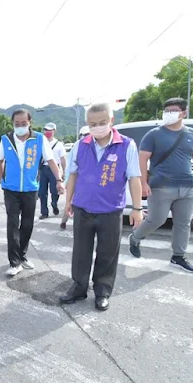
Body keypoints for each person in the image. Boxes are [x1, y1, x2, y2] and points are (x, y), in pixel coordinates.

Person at [60, 103, 143, 311]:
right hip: (83, 209)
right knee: (81, 252)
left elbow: (134, 178)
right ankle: (78, 287)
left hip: (111, 211)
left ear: (112, 121)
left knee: (107, 254)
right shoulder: (81, 145)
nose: (97, 127)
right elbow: (73, 175)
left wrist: (137, 208)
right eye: (93, 124)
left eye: (102, 123)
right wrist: (68, 202)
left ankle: (102, 291)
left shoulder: (126, 145)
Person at [129, 97, 193, 273]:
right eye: (167, 111)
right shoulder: (154, 134)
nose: (169, 114)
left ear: (183, 113)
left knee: (183, 223)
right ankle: (135, 237)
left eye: (173, 110)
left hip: (187, 187)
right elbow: (142, 159)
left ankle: (178, 256)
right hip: (161, 186)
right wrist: (143, 183)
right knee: (156, 220)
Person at [0, 109, 65, 277]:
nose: (20, 126)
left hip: (30, 188)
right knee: (12, 224)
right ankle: (14, 262)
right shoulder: (5, 139)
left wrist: (59, 180)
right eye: (16, 124)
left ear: (30, 123)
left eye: (23, 123)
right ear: (13, 124)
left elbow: (50, 160)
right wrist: (2, 180)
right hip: (11, 189)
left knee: (27, 224)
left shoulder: (39, 139)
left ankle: (22, 256)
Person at [60, 126, 90, 230]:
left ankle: (65, 220)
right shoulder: (78, 146)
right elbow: (70, 168)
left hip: (84, 181)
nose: (86, 137)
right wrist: (67, 181)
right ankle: (64, 220)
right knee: (71, 201)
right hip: (75, 179)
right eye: (84, 135)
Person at [39, 122, 67, 219]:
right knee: (42, 192)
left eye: (50, 130)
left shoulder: (59, 144)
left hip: (54, 170)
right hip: (43, 169)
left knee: (54, 191)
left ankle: (54, 204)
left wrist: (64, 172)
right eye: (46, 130)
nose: (47, 132)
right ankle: (44, 212)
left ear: (54, 131)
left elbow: (63, 159)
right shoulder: (41, 142)